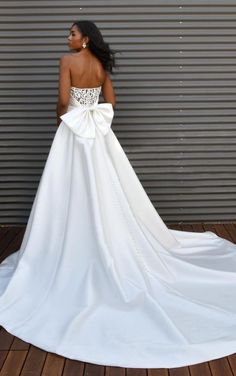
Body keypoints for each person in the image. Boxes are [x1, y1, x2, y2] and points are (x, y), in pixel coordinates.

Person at [0, 20, 236, 369]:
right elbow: (111, 101)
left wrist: (65, 125)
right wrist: (93, 118)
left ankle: (73, 243)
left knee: (70, 191)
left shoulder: (68, 62)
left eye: (72, 33)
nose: (68, 38)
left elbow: (63, 103)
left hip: (74, 134)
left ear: (84, 40)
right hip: (99, 137)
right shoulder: (99, 65)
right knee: (108, 190)